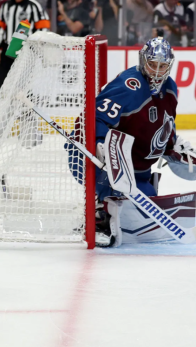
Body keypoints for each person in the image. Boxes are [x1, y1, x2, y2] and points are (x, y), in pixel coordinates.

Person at [67, 37, 195, 247]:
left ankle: (115, 202)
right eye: (152, 64)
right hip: (94, 160)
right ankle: (100, 213)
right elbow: (89, 119)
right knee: (116, 193)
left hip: (135, 170)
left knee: (145, 205)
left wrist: (172, 145)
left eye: (162, 66)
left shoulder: (171, 88)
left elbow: (163, 125)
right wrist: (100, 145)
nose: (156, 71)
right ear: (143, 60)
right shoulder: (129, 86)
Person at [0, 0, 50, 91]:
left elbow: (43, 28)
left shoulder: (34, 6)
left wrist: (36, 46)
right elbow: (0, 27)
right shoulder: (5, 6)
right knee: (4, 85)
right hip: (8, 50)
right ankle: (4, 104)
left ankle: (25, 104)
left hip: (27, 50)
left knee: (24, 84)